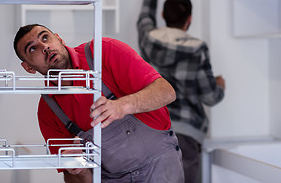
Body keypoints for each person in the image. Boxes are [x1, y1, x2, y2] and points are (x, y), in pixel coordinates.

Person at [13, 23, 184, 183]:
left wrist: (122, 106)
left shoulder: (104, 51)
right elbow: (73, 177)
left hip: (162, 168)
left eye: (45, 37)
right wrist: (77, 168)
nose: (45, 47)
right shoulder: (49, 110)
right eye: (33, 48)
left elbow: (166, 92)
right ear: (28, 67)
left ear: (59, 39)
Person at [136, 0, 226, 183]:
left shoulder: (149, 39)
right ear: (190, 19)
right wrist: (220, 85)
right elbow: (210, 97)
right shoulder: (197, 49)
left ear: (163, 15)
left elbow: (144, 19)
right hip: (185, 136)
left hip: (152, 130)